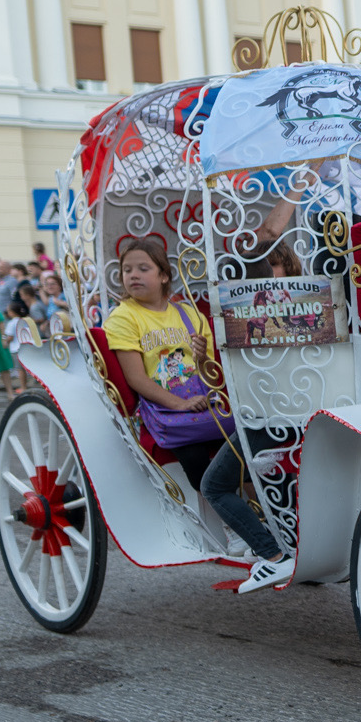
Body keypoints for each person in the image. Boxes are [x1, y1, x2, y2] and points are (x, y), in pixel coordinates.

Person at [105, 236, 292, 592]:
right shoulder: (124, 317)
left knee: (254, 451)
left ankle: (269, 521)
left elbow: (207, 370)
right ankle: (235, 526)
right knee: (198, 466)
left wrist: (203, 356)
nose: (133, 276)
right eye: (127, 270)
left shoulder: (188, 313)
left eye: (143, 268)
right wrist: (177, 404)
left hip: (204, 401)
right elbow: (136, 378)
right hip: (168, 411)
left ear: (163, 275)